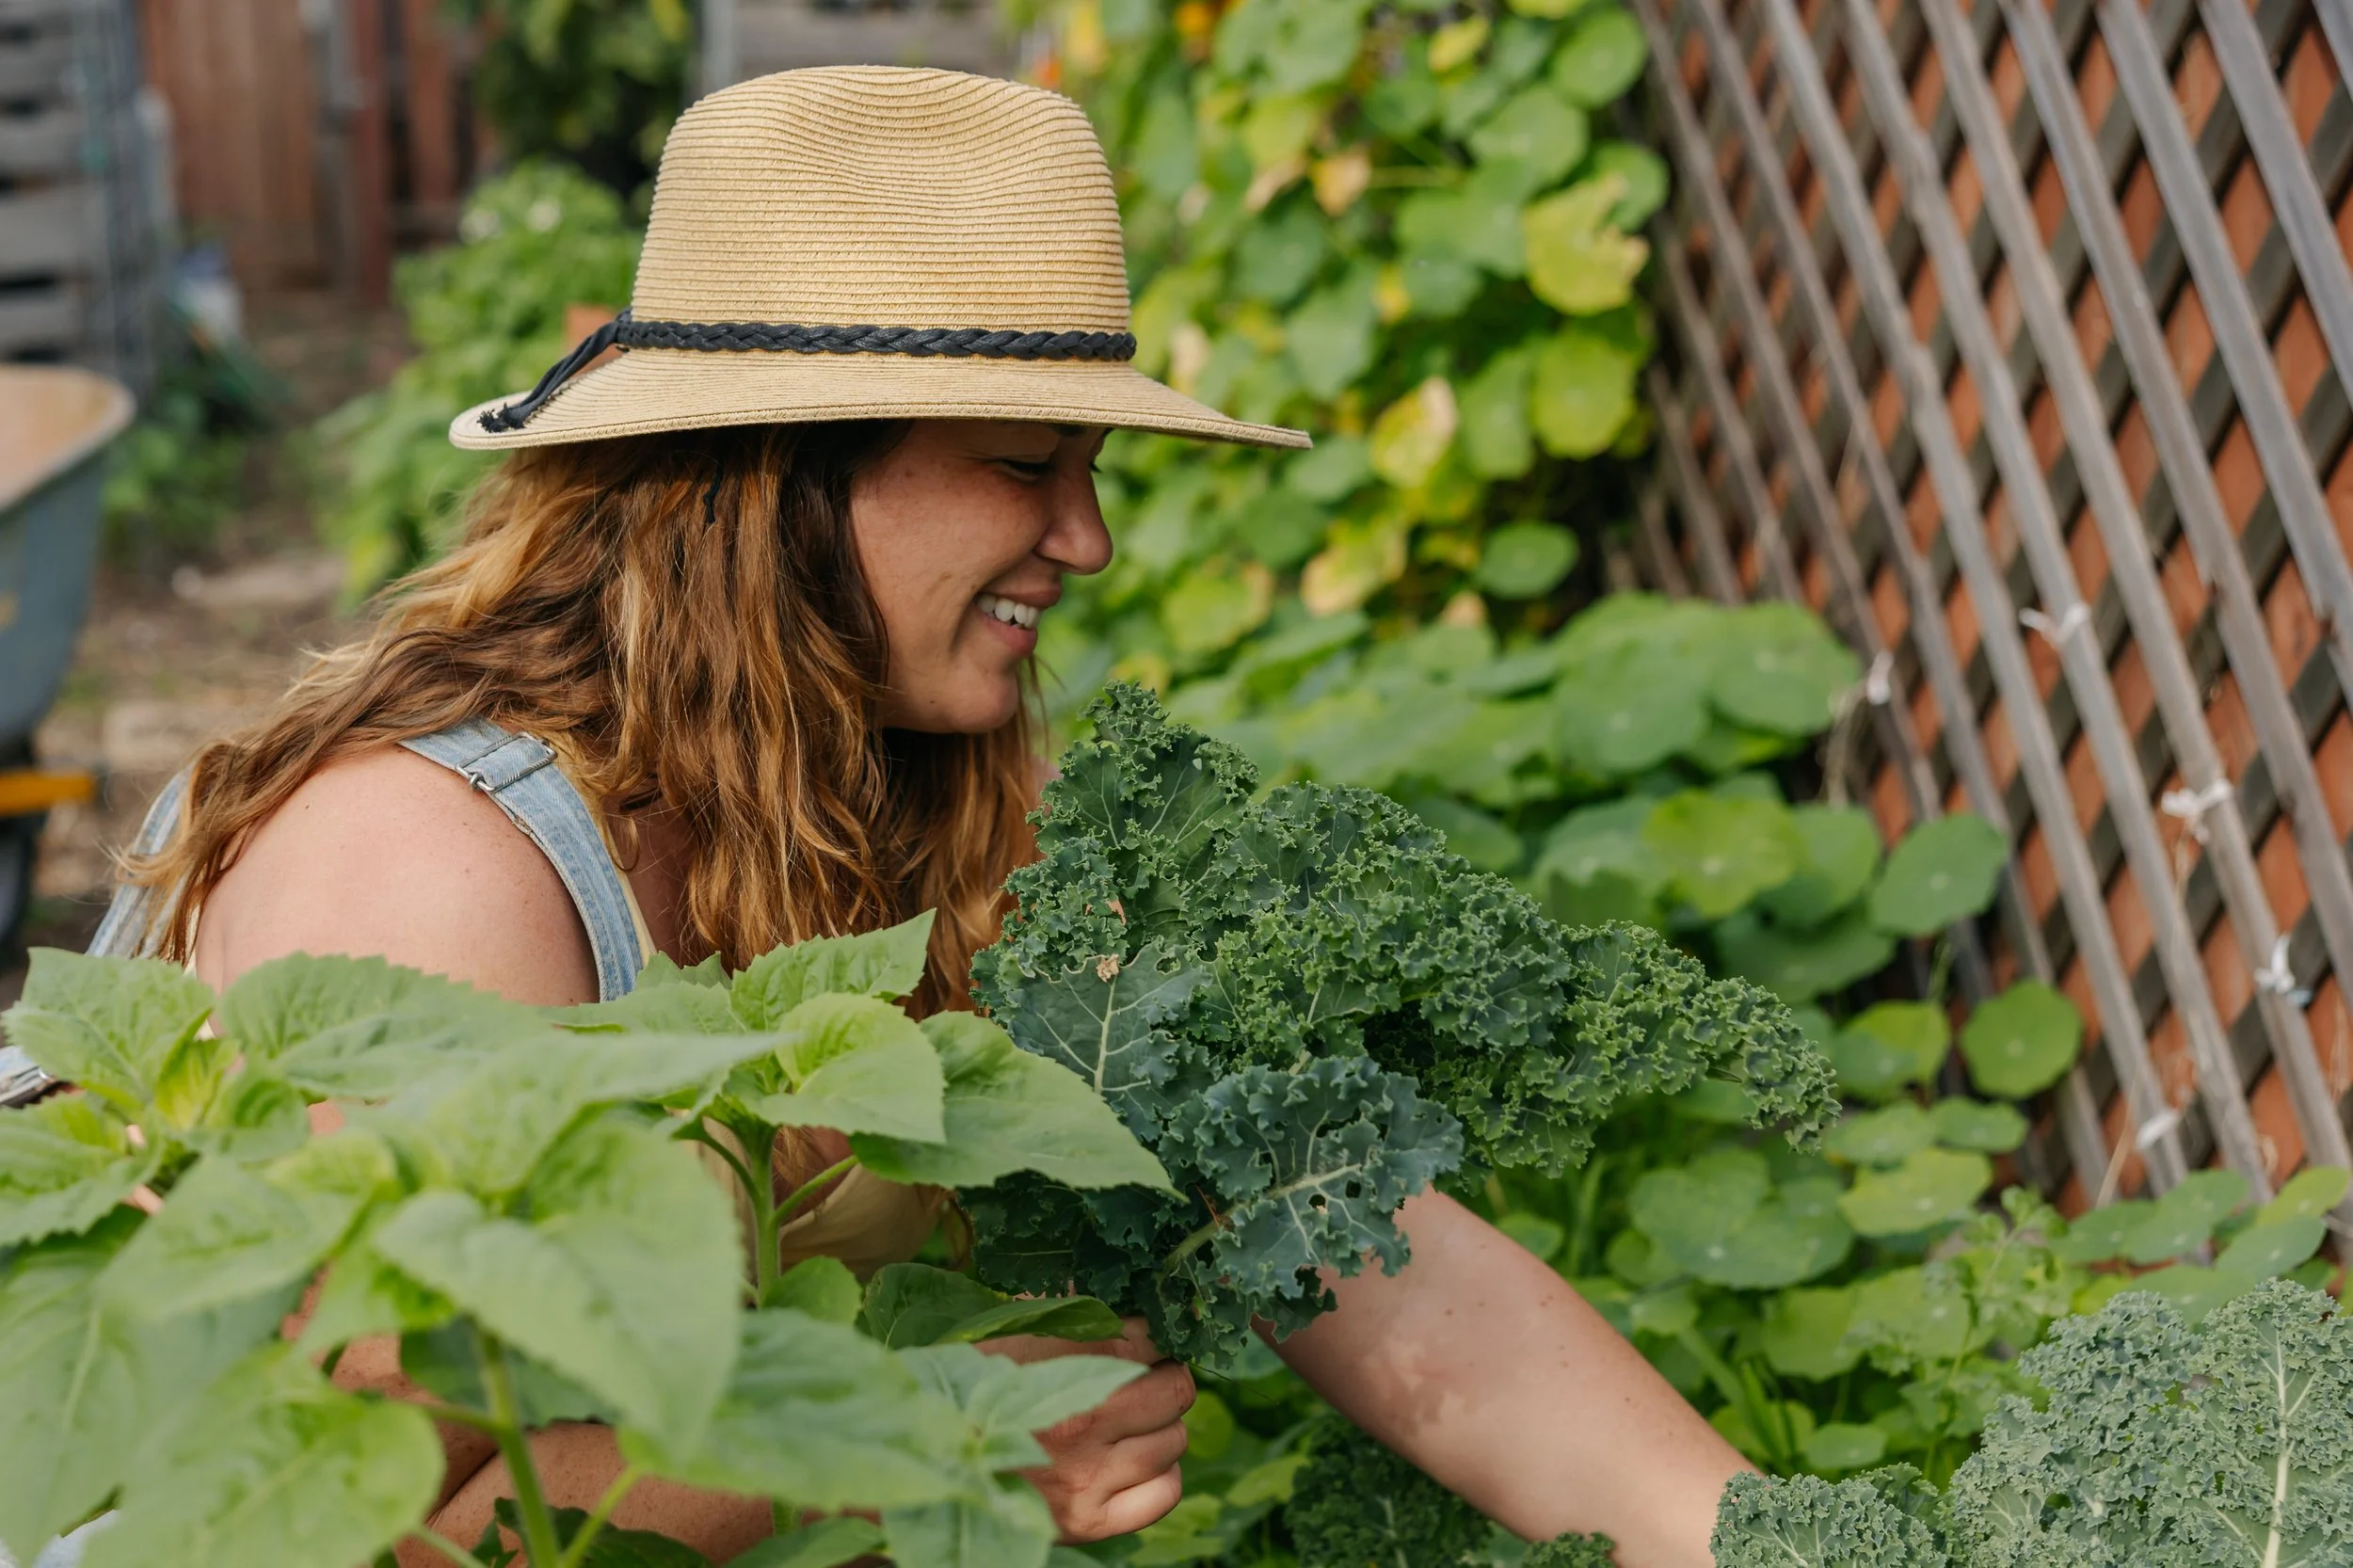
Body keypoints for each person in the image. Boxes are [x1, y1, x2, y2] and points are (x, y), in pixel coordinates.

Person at [89, 67, 1746, 1568]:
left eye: (1089, 465)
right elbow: (392, 1525)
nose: (1086, 538)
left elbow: (1357, 1242)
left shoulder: (926, 791)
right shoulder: (435, 863)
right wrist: (916, 1441)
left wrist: (1762, 1543)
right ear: (777, 480)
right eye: (1027, 458)